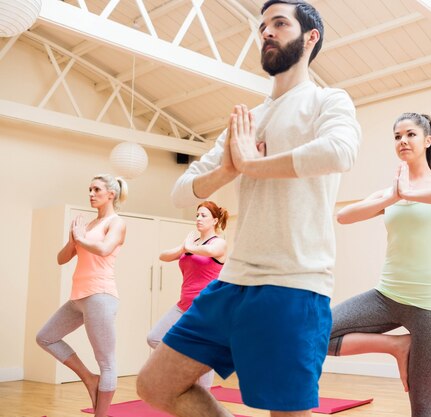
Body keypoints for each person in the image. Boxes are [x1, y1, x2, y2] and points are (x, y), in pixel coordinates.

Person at [136, 1, 361, 416]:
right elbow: (181, 192)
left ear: (311, 37)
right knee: (154, 385)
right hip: (231, 283)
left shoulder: (329, 101)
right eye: (262, 27)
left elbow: (339, 151)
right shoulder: (247, 120)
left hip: (293, 285)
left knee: (286, 411)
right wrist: (226, 168)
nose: (267, 33)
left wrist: (252, 165)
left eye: (279, 23)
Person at [327, 112, 431, 417]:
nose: (403, 141)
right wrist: (392, 196)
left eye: (411, 135)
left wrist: (408, 193)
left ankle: (400, 349)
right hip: (386, 296)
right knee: (317, 332)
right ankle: (395, 346)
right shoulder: (391, 193)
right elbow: (343, 216)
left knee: (422, 403)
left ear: (427, 141)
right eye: (397, 136)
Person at [36, 174, 128, 417]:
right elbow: (61, 259)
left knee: (106, 362)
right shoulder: (85, 226)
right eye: (89, 189)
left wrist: (82, 239)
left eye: (96, 189)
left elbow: (105, 248)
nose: (91, 193)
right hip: (79, 297)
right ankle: (89, 378)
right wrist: (73, 240)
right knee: (45, 337)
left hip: (101, 295)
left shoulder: (116, 222)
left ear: (111, 194)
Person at [146, 201, 228, 390]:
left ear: (215, 220)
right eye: (197, 215)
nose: (198, 219)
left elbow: (210, 251)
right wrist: (185, 247)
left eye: (204, 215)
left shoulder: (219, 243)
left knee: (204, 359)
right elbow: (163, 256)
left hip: (206, 310)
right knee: (154, 338)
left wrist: (189, 246)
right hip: (183, 305)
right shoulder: (191, 244)